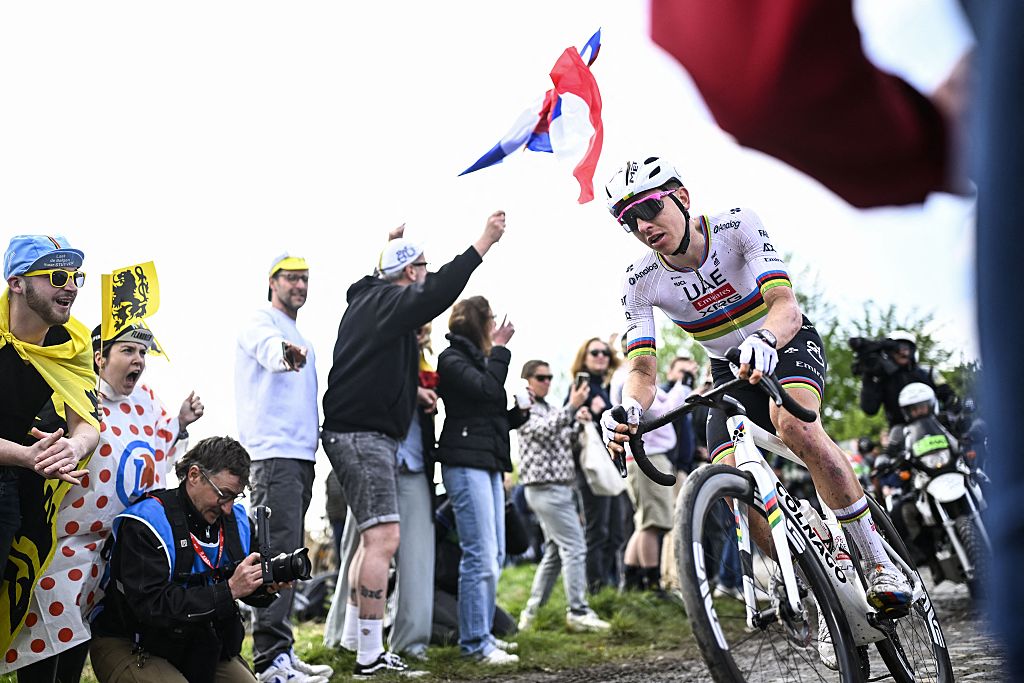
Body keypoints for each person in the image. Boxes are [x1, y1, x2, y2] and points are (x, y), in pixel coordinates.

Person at [601, 158, 913, 666]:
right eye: (627, 220)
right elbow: (642, 370)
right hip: (726, 366)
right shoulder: (639, 280)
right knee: (729, 484)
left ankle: (877, 561)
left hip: (784, 340)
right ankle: (817, 589)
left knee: (794, 426)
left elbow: (785, 303)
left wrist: (767, 337)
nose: (642, 227)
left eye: (649, 208)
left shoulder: (736, 225)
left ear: (681, 196)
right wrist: (626, 412)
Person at [321, 213, 505, 678]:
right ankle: (368, 655)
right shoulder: (388, 302)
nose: (426, 274)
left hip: (357, 432)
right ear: (410, 273)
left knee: (372, 539)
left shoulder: (368, 298)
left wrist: (414, 392)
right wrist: (483, 241)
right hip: (363, 435)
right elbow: (439, 290)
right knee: (384, 538)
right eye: (421, 267)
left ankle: (361, 647)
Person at [1, 323, 202, 680]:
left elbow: (157, 448)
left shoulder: (147, 401)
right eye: (128, 351)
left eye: (142, 353)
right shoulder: (74, 393)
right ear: (99, 357)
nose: (138, 360)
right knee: (44, 639)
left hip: (109, 551)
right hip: (61, 547)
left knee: (79, 633)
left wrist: (181, 422)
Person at [89, 436, 277, 683]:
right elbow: (152, 607)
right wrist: (229, 590)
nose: (228, 508)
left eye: (236, 497)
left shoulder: (237, 521)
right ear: (194, 475)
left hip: (198, 644)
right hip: (132, 640)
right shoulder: (147, 522)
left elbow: (243, 588)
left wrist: (266, 586)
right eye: (223, 495)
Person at [235, 253, 332, 683]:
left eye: (305, 279)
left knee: (290, 557)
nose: (300, 286)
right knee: (275, 558)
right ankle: (270, 661)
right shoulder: (262, 321)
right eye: (291, 278)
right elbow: (269, 350)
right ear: (271, 281)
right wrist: (285, 354)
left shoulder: (296, 328)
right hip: (273, 456)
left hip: (298, 456)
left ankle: (283, 651)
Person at [1, 235, 100, 653]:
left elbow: (88, 424)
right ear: (17, 283)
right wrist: (26, 455)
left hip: (8, 487)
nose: (72, 286)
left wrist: (73, 449)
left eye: (76, 277)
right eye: (57, 276)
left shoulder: (72, 343)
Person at [435, 296, 526, 664]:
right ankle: (474, 644)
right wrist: (501, 351)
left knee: (496, 554)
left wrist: (516, 415)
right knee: (480, 555)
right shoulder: (451, 358)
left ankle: (483, 634)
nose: (494, 325)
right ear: (476, 322)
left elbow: (488, 412)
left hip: (488, 462)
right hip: (465, 462)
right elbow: (486, 390)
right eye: (488, 318)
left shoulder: (478, 360)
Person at [515, 359, 610, 633]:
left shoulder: (550, 408)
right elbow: (543, 432)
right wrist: (572, 406)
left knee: (555, 552)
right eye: (542, 377)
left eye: (550, 377)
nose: (547, 382)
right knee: (576, 547)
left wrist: (577, 424)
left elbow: (562, 440)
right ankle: (578, 611)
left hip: (559, 488)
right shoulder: (524, 406)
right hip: (545, 488)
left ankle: (532, 614)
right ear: (528, 380)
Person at [610, 337, 688, 594]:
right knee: (653, 524)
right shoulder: (628, 380)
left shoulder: (628, 377)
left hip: (646, 455)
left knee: (645, 522)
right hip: (647, 456)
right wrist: (682, 387)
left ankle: (631, 582)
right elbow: (661, 412)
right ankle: (653, 586)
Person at [568, 336, 627, 593]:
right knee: (597, 531)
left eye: (605, 352)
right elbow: (567, 421)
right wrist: (583, 411)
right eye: (595, 352)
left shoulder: (604, 387)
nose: (601, 356)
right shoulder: (580, 387)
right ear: (584, 357)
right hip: (591, 469)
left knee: (615, 531)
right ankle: (594, 589)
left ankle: (609, 585)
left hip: (610, 468)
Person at [859, 330, 954, 428]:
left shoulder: (928, 372)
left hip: (936, 425)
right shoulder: (881, 379)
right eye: (896, 348)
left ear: (912, 350)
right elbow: (869, 409)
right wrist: (867, 377)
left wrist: (953, 416)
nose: (902, 352)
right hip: (902, 433)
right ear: (889, 352)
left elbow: (950, 397)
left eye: (905, 348)